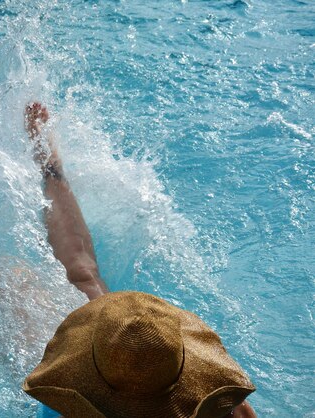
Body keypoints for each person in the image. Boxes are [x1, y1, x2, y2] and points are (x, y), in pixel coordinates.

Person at [22, 102, 257, 418]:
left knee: (21, 283)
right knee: (81, 277)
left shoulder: (67, 406)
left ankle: (51, 168)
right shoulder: (223, 409)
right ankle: (51, 168)